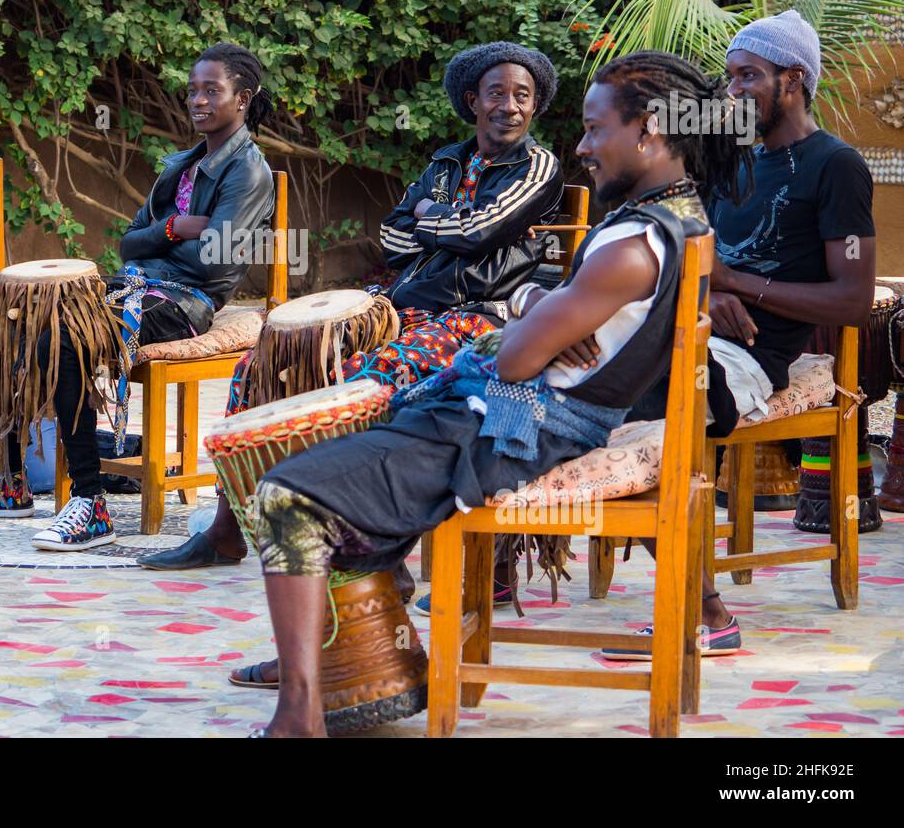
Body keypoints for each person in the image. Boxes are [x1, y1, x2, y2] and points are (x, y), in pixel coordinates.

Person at [248, 50, 751, 737]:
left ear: (650, 132)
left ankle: (298, 716)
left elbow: (514, 359)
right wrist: (543, 305)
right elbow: (527, 320)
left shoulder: (630, 248)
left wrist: (534, 321)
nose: (581, 147)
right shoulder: (678, 218)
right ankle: (352, 648)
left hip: (525, 428)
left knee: (285, 493)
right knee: (354, 439)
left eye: (594, 128)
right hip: (541, 413)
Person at [140, 42, 564, 582]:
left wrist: (434, 219)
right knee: (266, 363)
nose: (510, 106)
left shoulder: (537, 164)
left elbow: (478, 232)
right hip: (402, 308)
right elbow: (390, 236)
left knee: (367, 380)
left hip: (479, 318)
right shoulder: (445, 163)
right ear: (472, 101)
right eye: (497, 94)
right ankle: (227, 531)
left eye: (522, 96)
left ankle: (369, 543)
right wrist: (448, 220)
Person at [602, 11, 876, 660]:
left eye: (748, 76)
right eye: (727, 77)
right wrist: (715, 287)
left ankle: (704, 611)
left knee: (649, 398)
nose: (732, 92)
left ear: (795, 78)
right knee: (587, 384)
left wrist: (737, 283)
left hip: (757, 353)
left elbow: (854, 299)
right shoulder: (730, 159)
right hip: (692, 325)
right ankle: (692, 602)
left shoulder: (837, 167)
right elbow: (697, 250)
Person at [0, 44, 275, 552]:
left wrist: (165, 236)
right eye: (192, 91)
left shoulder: (247, 172)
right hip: (132, 285)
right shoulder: (181, 166)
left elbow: (213, 261)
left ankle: (91, 505)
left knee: (67, 339)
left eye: (212, 91)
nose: (197, 100)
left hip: (184, 303)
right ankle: (5, 482)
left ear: (242, 99)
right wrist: (179, 226)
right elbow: (129, 242)